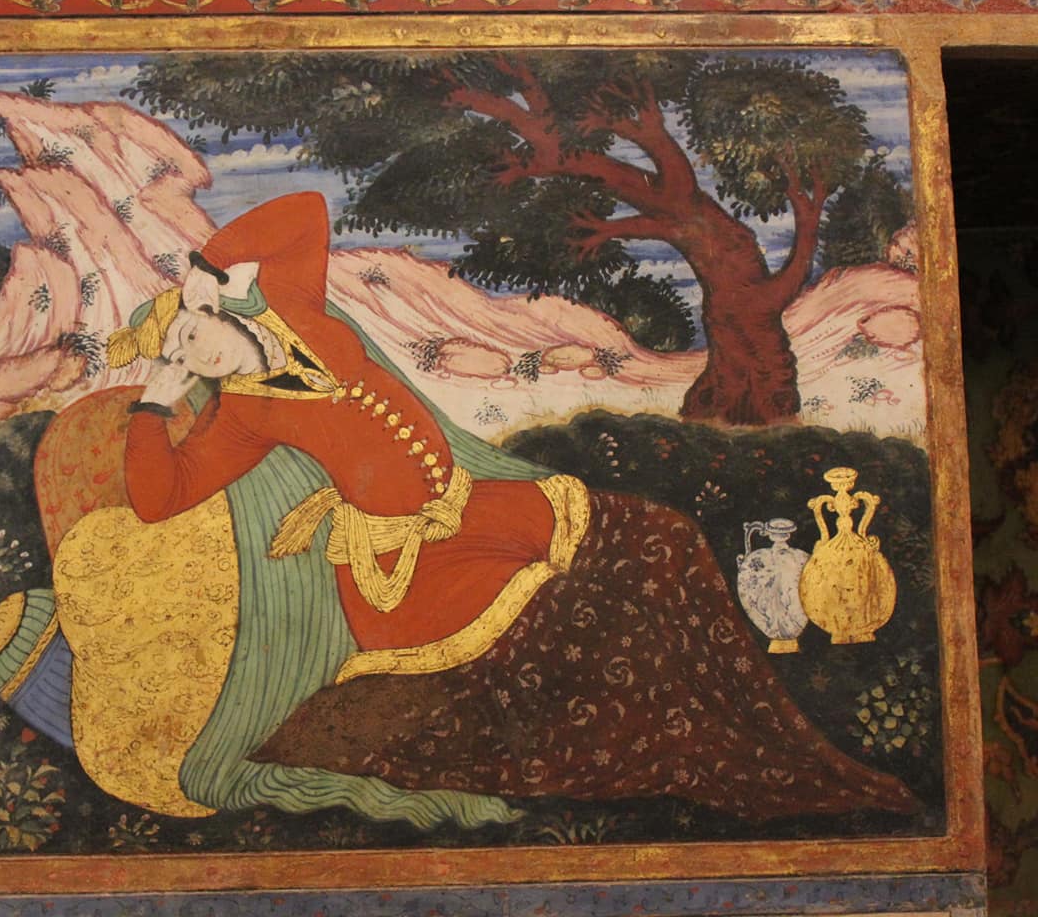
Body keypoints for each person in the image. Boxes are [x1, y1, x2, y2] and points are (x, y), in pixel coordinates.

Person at [89, 191, 919, 828]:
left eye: (189, 326)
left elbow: (304, 211)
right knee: (580, 627)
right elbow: (160, 499)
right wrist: (155, 404)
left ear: (222, 304)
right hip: (409, 569)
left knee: (663, 539)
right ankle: (686, 748)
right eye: (178, 353)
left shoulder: (302, 315)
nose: (189, 348)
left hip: (480, 508)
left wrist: (212, 262)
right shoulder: (241, 415)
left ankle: (748, 724)